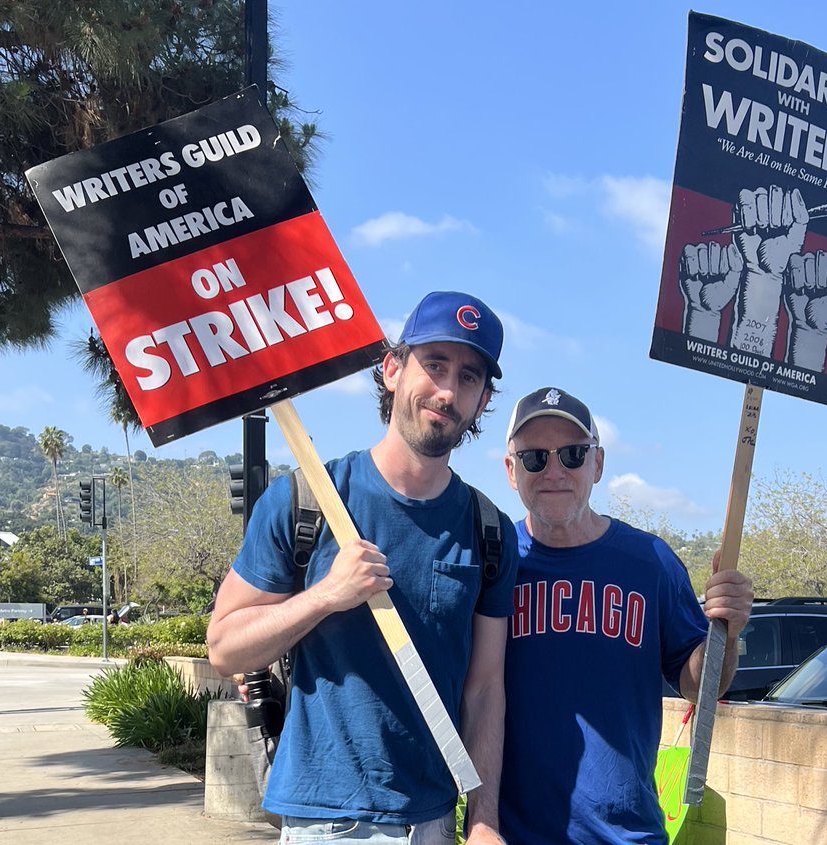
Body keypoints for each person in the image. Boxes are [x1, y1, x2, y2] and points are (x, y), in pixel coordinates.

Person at [208, 291, 519, 845]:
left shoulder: (489, 530)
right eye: (435, 365)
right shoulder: (305, 500)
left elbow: (485, 689)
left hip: (434, 822)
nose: (448, 391)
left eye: (469, 377)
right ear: (393, 369)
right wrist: (325, 595)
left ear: (483, 401)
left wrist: (484, 820)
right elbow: (225, 648)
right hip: (326, 821)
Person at [498, 386, 754, 845]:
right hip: (513, 835)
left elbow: (699, 686)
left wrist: (726, 634)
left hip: (628, 834)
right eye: (534, 457)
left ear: (597, 463)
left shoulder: (650, 562)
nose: (554, 471)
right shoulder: (493, 562)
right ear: (511, 470)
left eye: (573, 454)